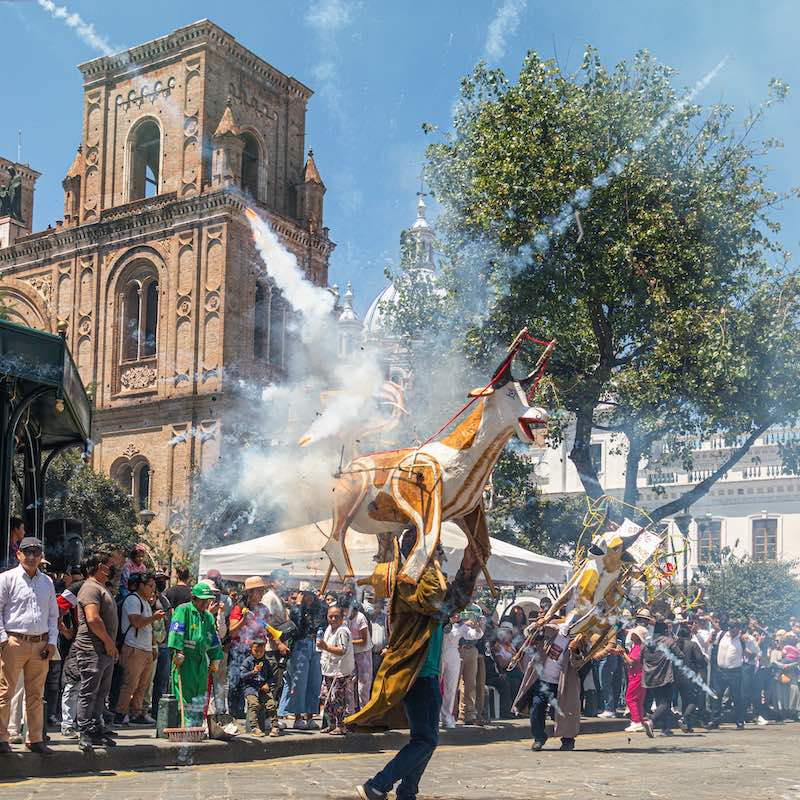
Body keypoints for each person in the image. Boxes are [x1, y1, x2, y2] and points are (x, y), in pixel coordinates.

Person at [353, 528, 484, 800]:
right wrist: (434, 560)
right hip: (416, 673)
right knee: (426, 739)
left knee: (425, 738)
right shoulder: (410, 579)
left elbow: (450, 606)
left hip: (426, 672)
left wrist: (468, 568)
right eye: (436, 549)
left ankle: (408, 790)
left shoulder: (422, 580)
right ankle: (378, 784)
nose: (440, 555)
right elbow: (438, 603)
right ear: (422, 553)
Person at [0, 536, 58, 755]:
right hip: (14, 641)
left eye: (36, 553)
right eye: (27, 552)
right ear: (19, 555)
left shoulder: (47, 582)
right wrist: (3, 640)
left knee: (35, 694)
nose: (32, 557)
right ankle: (2, 738)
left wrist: (51, 642)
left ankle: (34, 738)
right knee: (5, 692)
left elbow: (53, 615)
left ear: (41, 556)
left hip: (40, 644)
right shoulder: (7, 579)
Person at [72, 550, 119, 752]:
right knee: (89, 692)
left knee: (101, 693)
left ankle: (95, 727)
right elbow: (92, 618)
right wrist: (108, 642)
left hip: (104, 651)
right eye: (108, 564)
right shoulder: (90, 588)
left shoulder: (101, 587)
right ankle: (83, 730)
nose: (111, 568)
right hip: (93, 649)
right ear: (100, 566)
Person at [512, 620, 582, 751]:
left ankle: (568, 740)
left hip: (564, 682)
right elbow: (529, 633)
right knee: (537, 707)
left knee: (567, 711)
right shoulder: (550, 630)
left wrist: (575, 649)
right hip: (543, 680)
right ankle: (539, 737)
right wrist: (536, 626)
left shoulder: (580, 638)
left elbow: (579, 662)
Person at [168, 583, 224, 727]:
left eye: (208, 600)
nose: (206, 603)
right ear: (193, 598)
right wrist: (178, 650)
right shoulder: (183, 610)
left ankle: (197, 725)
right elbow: (177, 630)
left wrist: (216, 657)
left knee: (200, 695)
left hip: (201, 662)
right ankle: (186, 726)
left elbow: (213, 638)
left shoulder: (208, 617)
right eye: (203, 600)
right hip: (185, 660)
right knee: (185, 694)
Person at [115, 572, 162, 725]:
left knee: (143, 685)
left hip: (146, 649)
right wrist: (154, 617)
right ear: (141, 585)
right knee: (130, 683)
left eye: (153, 587)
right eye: (150, 586)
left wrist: (153, 646)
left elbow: (149, 628)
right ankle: (121, 713)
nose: (152, 590)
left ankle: (137, 712)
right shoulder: (133, 600)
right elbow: (136, 622)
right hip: (133, 647)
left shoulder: (146, 602)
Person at [282, 589, 325, 729]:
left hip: (317, 646)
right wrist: (299, 605)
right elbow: (296, 624)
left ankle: (311, 716)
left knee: (315, 682)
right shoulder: (296, 609)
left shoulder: (320, 609)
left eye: (310, 595)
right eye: (305, 595)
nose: (308, 598)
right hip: (300, 645)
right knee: (299, 681)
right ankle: (298, 716)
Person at [318, 605, 355, 735]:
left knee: (338, 699)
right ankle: (332, 724)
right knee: (327, 698)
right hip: (329, 670)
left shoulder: (342, 631)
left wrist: (325, 647)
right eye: (330, 616)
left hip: (340, 672)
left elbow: (341, 650)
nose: (333, 619)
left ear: (342, 618)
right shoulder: (329, 629)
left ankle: (341, 725)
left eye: (336, 617)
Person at [710, 619, 749, 730]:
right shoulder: (722, 635)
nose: (732, 630)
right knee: (717, 696)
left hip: (735, 672)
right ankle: (715, 721)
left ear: (738, 628)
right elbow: (711, 643)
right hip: (721, 671)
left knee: (737, 697)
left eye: (734, 627)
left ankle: (739, 721)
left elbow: (754, 649)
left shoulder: (742, 639)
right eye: (730, 627)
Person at [239, 638, 280, 737]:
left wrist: (267, 684)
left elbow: (270, 676)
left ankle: (275, 726)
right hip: (251, 687)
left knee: (271, 704)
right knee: (254, 704)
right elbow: (242, 676)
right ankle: (254, 727)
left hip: (263, 687)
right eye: (256, 651)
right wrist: (253, 672)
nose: (258, 653)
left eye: (261, 651)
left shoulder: (266, 662)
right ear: (251, 650)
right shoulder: (247, 662)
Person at [642, 619, 676, 736]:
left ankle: (665, 728)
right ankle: (651, 721)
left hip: (650, 677)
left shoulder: (647, 643)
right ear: (665, 630)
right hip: (664, 676)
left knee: (660, 702)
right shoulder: (668, 641)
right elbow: (680, 655)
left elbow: (641, 656)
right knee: (665, 703)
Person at [673, 622, 707, 732]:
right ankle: (685, 718)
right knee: (694, 700)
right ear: (690, 635)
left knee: (685, 700)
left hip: (677, 676)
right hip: (690, 676)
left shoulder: (675, 645)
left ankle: (687, 725)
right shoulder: (693, 645)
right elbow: (700, 660)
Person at [457, 603, 485, 726]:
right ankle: (451, 714)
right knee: (452, 683)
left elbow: (480, 630)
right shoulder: (456, 605)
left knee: (470, 683)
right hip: (456, 648)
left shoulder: (476, 608)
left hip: (472, 648)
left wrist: (480, 625)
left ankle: (469, 714)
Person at [618, 626, 649, 734]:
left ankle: (636, 721)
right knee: (638, 700)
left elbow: (632, 662)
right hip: (639, 675)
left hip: (637, 676)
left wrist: (623, 654)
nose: (631, 635)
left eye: (634, 634)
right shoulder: (638, 646)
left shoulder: (638, 647)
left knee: (630, 698)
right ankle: (639, 720)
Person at [347, 598, 373, 711]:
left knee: (363, 684)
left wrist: (348, 641)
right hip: (351, 653)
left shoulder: (360, 618)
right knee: (350, 682)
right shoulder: (345, 618)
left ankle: (364, 711)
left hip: (363, 653)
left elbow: (364, 640)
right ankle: (351, 712)